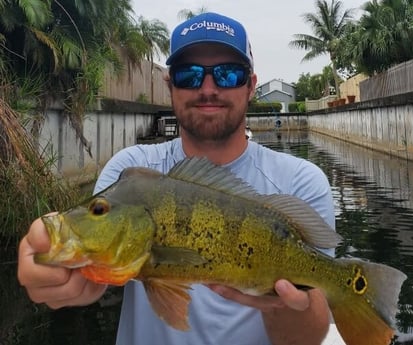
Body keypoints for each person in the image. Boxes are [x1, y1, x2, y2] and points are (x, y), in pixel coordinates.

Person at [18, 12, 336, 345]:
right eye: (189, 75)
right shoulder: (132, 171)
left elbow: (309, 337)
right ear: (171, 85)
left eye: (228, 74)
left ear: (251, 86)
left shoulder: (301, 181)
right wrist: (66, 278)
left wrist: (280, 305)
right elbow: (98, 278)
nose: (208, 88)